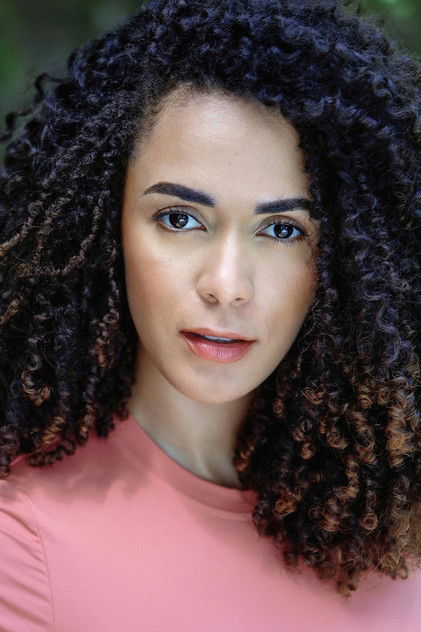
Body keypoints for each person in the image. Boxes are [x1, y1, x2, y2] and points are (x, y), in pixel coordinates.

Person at [0, 0, 419, 629]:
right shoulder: (20, 546)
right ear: (104, 222)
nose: (227, 286)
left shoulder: (397, 520)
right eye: (180, 219)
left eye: (282, 229)